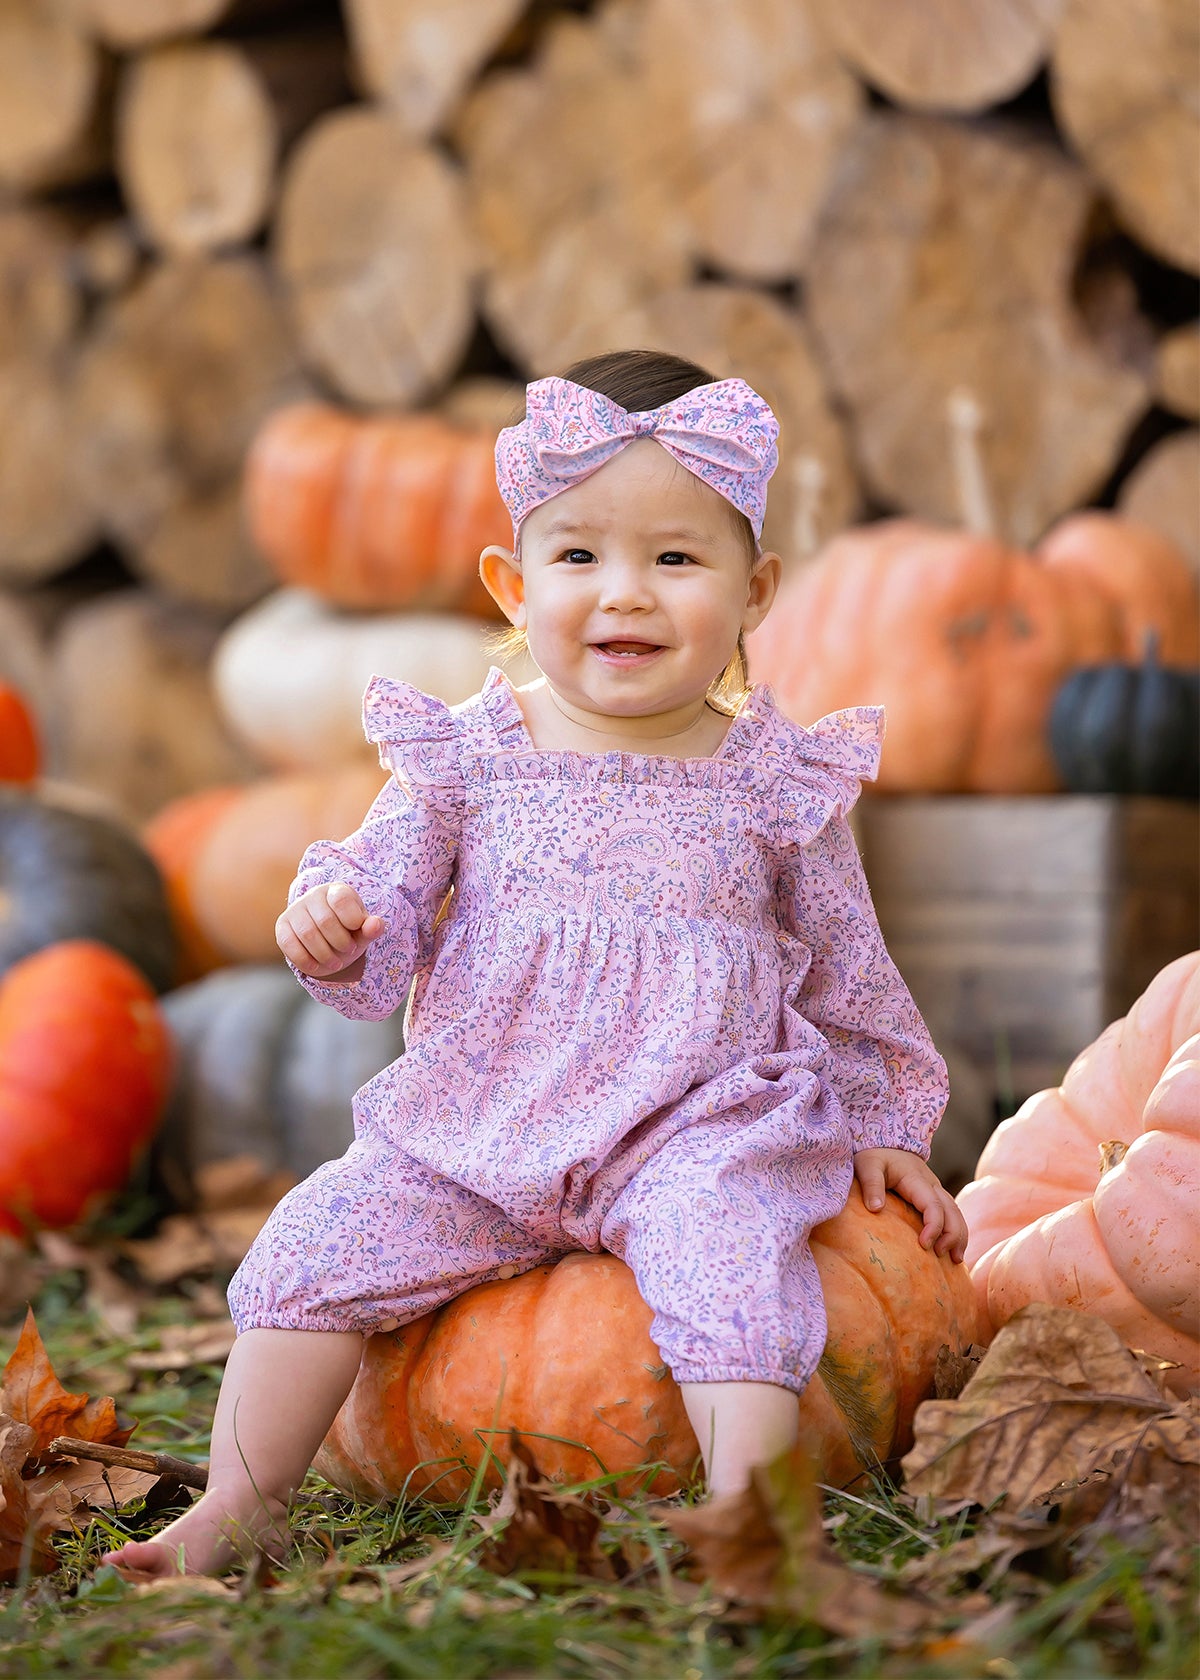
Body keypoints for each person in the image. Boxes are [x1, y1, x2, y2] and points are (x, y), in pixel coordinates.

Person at [104, 348, 967, 1578]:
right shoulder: (464, 758)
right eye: (580, 557)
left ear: (754, 590)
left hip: (695, 1117)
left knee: (734, 1263)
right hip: (476, 1120)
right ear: (512, 585)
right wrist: (337, 920)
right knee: (312, 1251)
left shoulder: (775, 778)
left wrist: (883, 1115)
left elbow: (845, 965)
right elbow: (380, 889)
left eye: (676, 557)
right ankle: (237, 1503)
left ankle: (756, 1522)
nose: (627, 594)